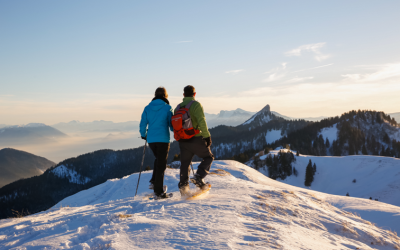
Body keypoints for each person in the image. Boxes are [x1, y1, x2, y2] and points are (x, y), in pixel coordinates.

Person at [175, 85, 214, 195]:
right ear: (194, 94)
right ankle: (199, 177)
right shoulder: (196, 105)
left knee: (185, 164)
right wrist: (207, 136)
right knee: (208, 157)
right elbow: (202, 121)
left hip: (182, 140)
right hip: (195, 139)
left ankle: (183, 188)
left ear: (183, 95)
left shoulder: (177, 108)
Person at [139, 87, 173, 199]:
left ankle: (154, 182)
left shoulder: (147, 108)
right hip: (163, 139)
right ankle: (158, 192)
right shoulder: (167, 108)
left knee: (158, 160)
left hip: (151, 140)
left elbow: (143, 123)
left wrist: (144, 134)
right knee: (161, 164)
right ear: (165, 96)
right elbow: (171, 125)